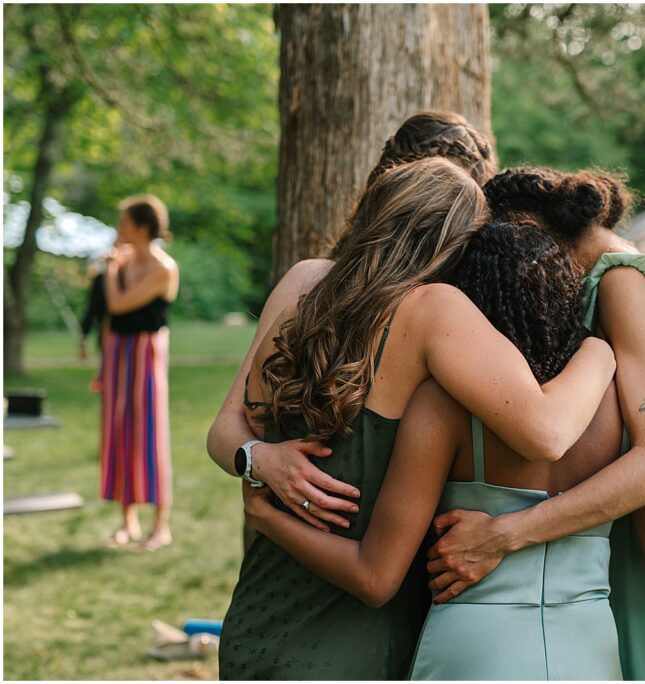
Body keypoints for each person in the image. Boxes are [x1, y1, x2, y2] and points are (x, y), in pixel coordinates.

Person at [243, 221, 645, 680]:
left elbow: (375, 575)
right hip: (589, 646)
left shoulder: (442, 407)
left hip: (471, 646)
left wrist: (268, 519)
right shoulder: (613, 393)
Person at [217, 158, 616, 680]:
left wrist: (256, 460)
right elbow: (547, 433)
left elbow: (223, 431)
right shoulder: (433, 310)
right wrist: (602, 351)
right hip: (350, 645)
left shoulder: (304, 282)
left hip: (256, 617)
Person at [427, 167, 645, 679]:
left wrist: (505, 534)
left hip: (634, 577)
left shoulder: (622, 284)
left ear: (528, 228)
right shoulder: (639, 275)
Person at [206, 111, 500, 532]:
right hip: (304, 540)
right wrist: (260, 458)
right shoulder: (311, 282)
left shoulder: (464, 307)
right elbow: (224, 429)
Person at [100, 195, 178, 550]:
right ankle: (127, 521)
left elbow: (118, 302)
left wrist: (111, 269)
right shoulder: (127, 262)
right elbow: (111, 317)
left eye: (125, 222)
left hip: (146, 352)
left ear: (143, 227)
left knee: (149, 432)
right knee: (118, 432)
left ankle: (160, 526)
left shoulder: (164, 267)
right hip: (118, 351)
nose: (120, 228)